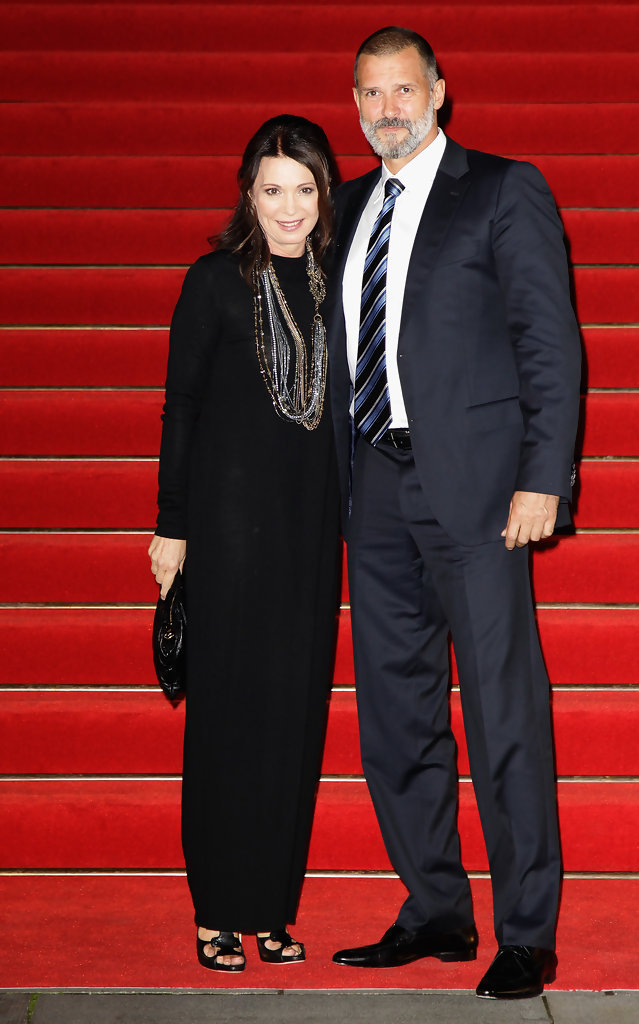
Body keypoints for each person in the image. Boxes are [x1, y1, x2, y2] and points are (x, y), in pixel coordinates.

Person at [326, 28, 581, 999]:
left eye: (403, 89)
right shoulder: (347, 207)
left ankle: (526, 931)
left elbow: (548, 340)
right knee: (396, 715)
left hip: (478, 494)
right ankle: (435, 906)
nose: (386, 108)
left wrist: (542, 476)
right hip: (374, 490)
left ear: (439, 90)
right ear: (355, 104)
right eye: (370, 93)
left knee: (504, 712)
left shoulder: (503, 190)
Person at [148, 114, 341, 972]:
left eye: (303, 189)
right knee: (227, 718)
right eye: (272, 190)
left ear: (324, 194)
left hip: (309, 529)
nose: (288, 207)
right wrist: (172, 525)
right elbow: (180, 407)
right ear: (248, 194)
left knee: (292, 719)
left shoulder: (340, 284)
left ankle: (270, 906)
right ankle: (217, 909)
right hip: (226, 532)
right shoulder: (213, 282)